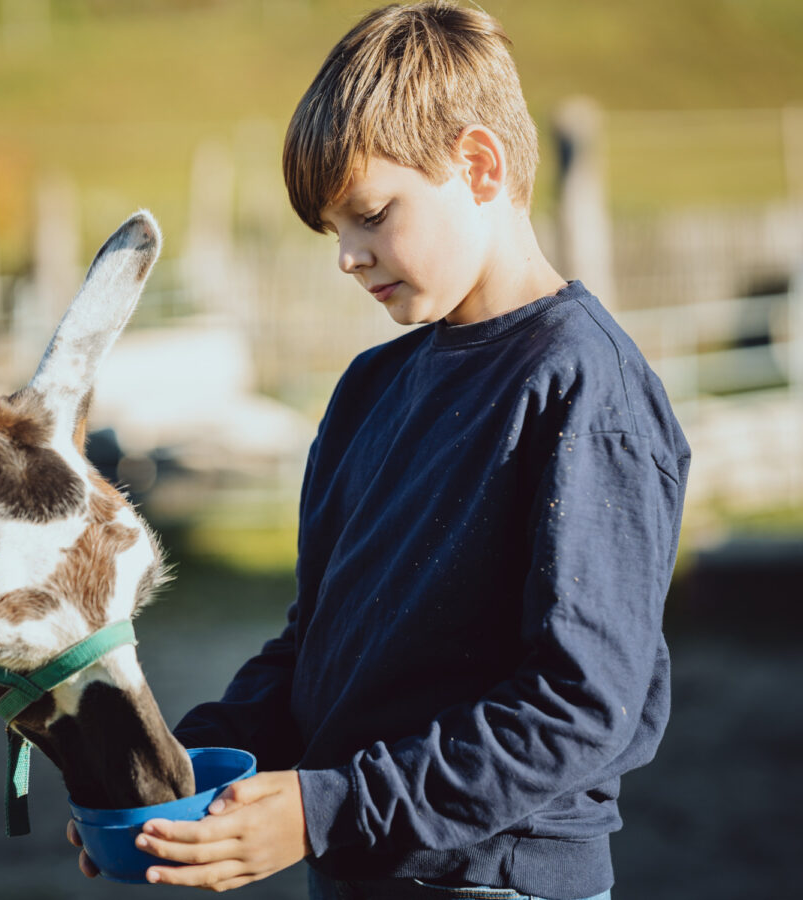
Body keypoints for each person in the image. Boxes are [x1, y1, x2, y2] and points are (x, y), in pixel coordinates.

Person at [69, 3, 689, 897]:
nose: (348, 258)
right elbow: (313, 648)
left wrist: (324, 810)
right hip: (356, 874)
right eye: (333, 232)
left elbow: (581, 706)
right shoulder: (369, 391)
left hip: (495, 881)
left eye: (369, 214)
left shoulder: (585, 392)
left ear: (478, 165)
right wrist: (167, 786)